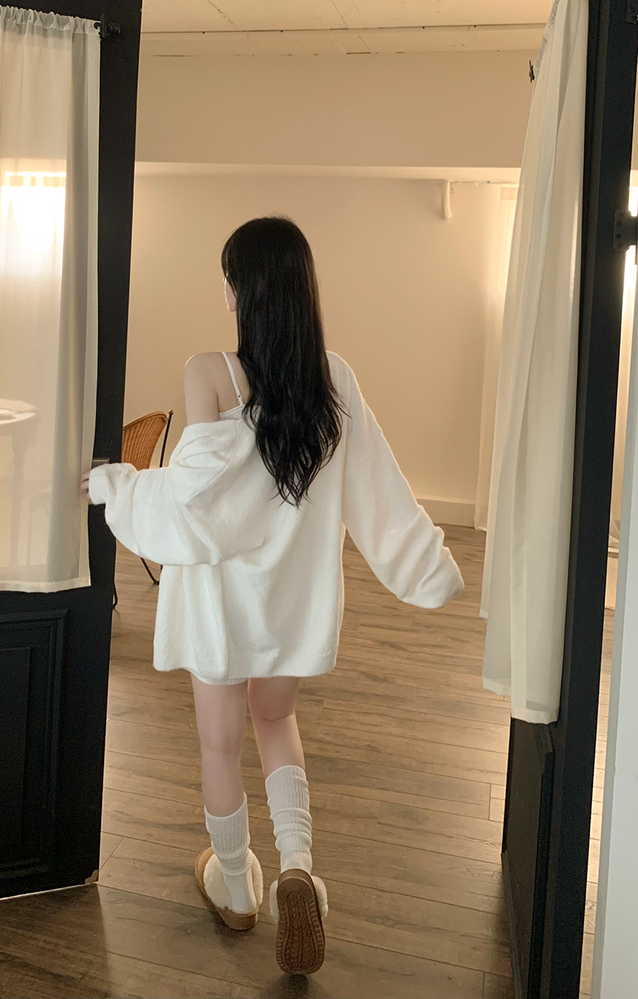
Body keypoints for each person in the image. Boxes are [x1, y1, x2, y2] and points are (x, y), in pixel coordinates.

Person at [82, 216, 464, 976]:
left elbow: (197, 501)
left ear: (243, 290)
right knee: (276, 718)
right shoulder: (335, 378)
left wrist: (112, 486)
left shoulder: (209, 372)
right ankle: (297, 868)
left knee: (219, 743)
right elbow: (379, 491)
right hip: (294, 597)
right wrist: (431, 568)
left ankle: (234, 884)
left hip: (221, 604)